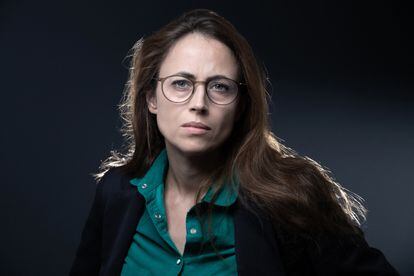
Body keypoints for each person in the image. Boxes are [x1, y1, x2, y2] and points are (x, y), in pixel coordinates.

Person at [70, 8, 399, 276]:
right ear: (151, 100)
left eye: (220, 87)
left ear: (241, 105)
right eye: (181, 83)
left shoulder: (290, 197)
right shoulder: (117, 192)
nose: (199, 103)